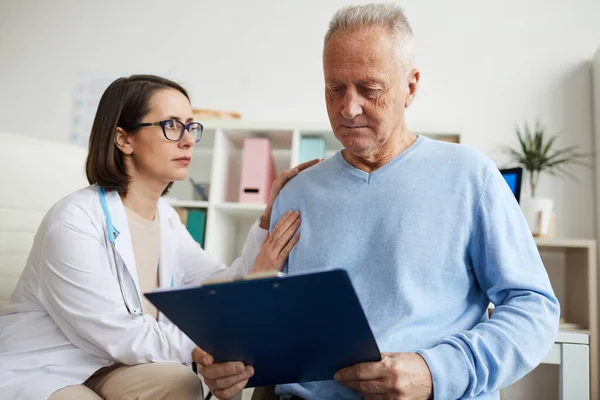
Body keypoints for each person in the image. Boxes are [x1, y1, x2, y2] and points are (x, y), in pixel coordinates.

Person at [194, 4, 560, 400]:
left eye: (370, 89)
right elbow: (275, 337)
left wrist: (436, 372)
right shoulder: (297, 193)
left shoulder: (471, 177)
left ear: (411, 87)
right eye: (335, 89)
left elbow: (533, 308)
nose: (348, 108)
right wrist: (231, 366)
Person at [0, 74, 317, 400]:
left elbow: (215, 283)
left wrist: (266, 222)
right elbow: (121, 334)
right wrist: (205, 348)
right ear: (124, 139)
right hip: (50, 366)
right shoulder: (72, 221)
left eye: (191, 127)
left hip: (113, 366)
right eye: (171, 125)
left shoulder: (165, 217)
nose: (188, 140)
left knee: (181, 383)